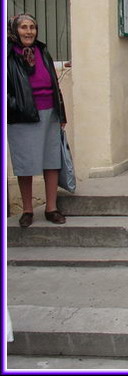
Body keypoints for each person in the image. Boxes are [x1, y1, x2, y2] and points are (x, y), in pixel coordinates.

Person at [7, 13, 67, 227]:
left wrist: (62, 114)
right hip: (22, 115)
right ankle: (27, 210)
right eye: (23, 27)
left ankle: (51, 208)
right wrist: (12, 105)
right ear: (15, 30)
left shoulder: (42, 51)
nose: (29, 31)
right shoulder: (9, 54)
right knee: (25, 163)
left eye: (32, 27)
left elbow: (53, 82)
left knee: (51, 161)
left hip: (49, 112)